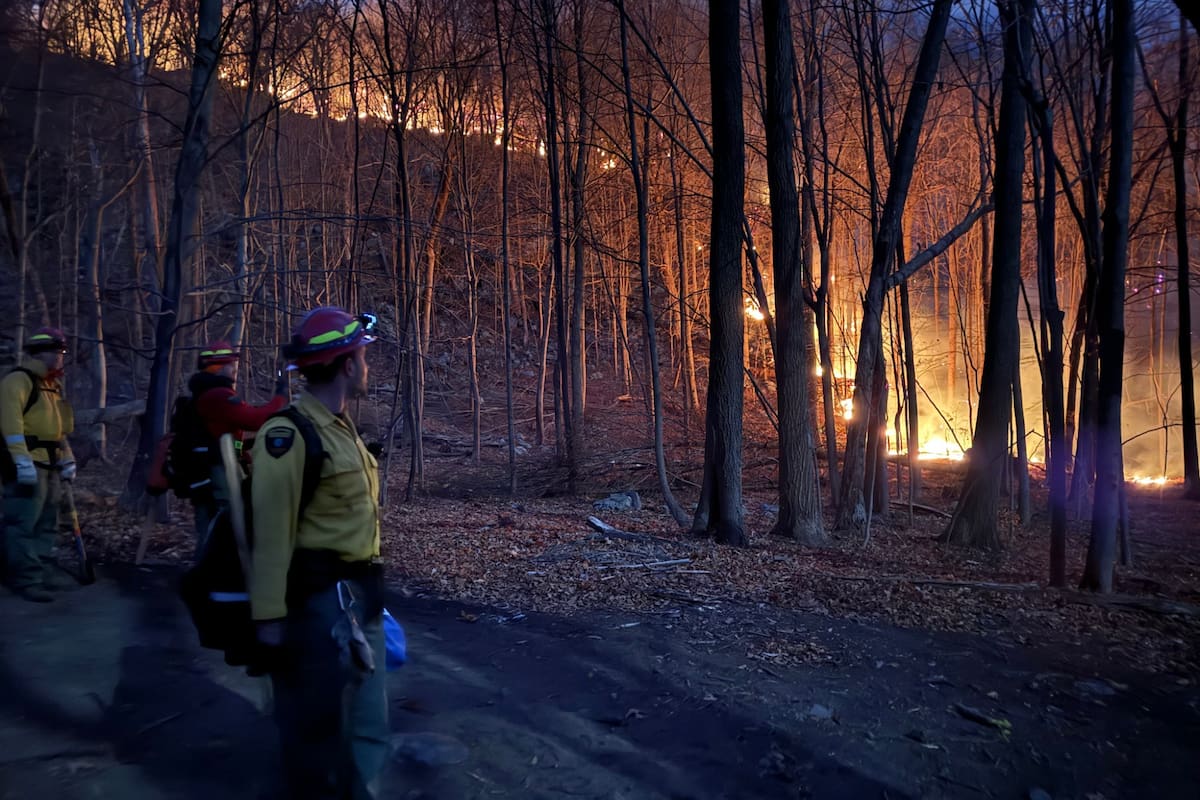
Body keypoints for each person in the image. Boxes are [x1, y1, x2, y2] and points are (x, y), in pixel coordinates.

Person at [249, 308, 387, 799]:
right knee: (319, 733)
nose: (368, 366)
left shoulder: (341, 426)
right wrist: (268, 623)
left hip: (359, 596)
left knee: (368, 723)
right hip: (318, 608)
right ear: (347, 365)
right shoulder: (289, 435)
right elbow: (270, 532)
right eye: (364, 357)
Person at [188, 340, 288, 557]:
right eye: (231, 364)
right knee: (222, 523)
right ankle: (208, 579)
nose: (235, 368)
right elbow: (254, 419)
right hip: (218, 472)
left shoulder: (208, 394)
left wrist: (244, 449)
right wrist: (281, 398)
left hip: (217, 469)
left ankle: (212, 573)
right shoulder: (217, 396)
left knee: (218, 524)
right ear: (219, 366)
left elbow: (227, 434)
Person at [1, 327, 76, 603]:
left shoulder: (52, 385)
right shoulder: (18, 381)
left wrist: (67, 457)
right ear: (38, 352)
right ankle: (25, 578)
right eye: (55, 351)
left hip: (51, 463)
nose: (60, 357)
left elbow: (58, 430)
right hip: (27, 463)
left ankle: (42, 570)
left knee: (48, 522)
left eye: (62, 351)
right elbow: (10, 423)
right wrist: (21, 459)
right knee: (22, 523)